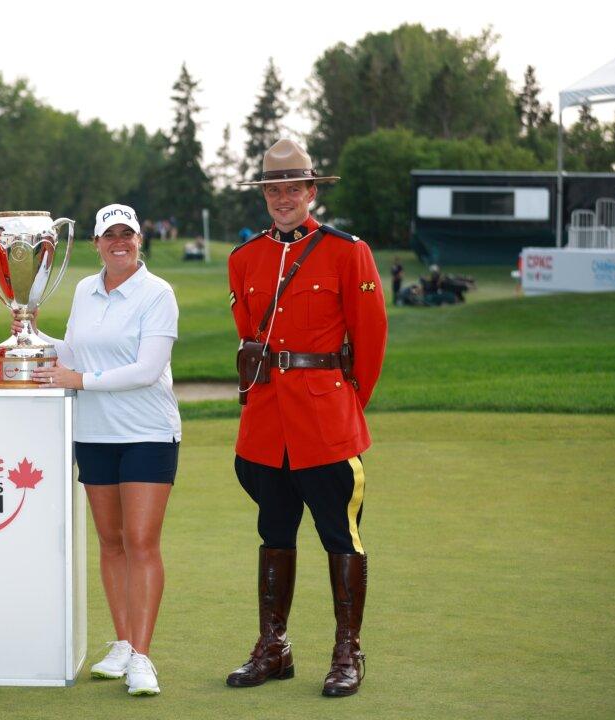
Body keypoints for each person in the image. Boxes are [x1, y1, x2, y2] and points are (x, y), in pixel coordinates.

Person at [226, 139, 387, 697]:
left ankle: (348, 652)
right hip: (268, 425)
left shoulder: (347, 252)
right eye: (274, 189)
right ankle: (274, 647)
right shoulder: (243, 259)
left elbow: (369, 344)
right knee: (273, 533)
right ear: (264, 195)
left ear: (311, 192)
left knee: (340, 535)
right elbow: (249, 335)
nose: (283, 198)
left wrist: (343, 405)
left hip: (325, 421)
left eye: (294, 188)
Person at [13, 203, 181, 697]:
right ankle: (125, 643)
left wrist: (80, 380)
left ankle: (144, 659)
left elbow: (147, 369)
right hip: (95, 432)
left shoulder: (157, 293)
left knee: (141, 542)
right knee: (111, 542)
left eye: (127, 233)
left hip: (148, 432)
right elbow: (73, 350)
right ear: (97, 243)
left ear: (139, 239)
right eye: (110, 235)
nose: (119, 242)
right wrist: (28, 332)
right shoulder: (87, 289)